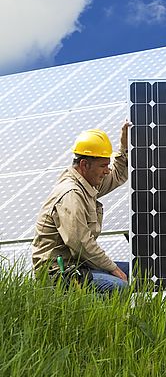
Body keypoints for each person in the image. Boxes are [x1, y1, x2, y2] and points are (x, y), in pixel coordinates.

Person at [31, 121, 132, 294]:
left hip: (80, 265)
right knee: (118, 286)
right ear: (85, 165)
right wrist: (113, 269)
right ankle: (104, 320)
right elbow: (81, 243)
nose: (107, 170)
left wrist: (124, 146)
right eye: (103, 166)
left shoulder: (87, 182)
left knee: (138, 271)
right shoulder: (71, 194)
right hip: (59, 274)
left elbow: (117, 175)